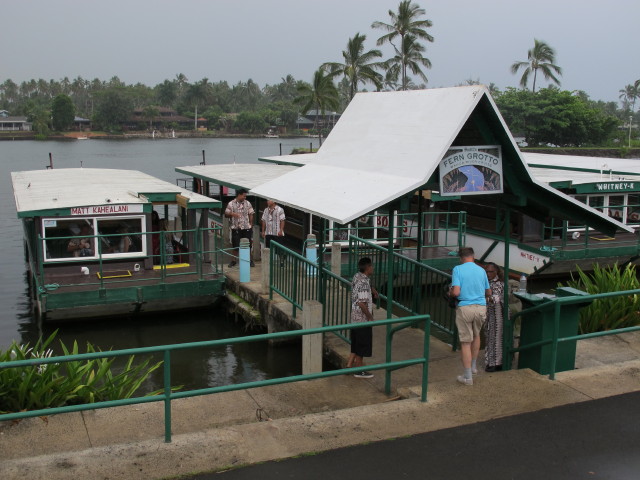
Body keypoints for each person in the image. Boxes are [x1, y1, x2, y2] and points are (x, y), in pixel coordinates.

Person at [450, 247, 490, 386]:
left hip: (465, 308)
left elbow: (456, 292)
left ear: (461, 258)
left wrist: (450, 292)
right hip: (481, 307)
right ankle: (473, 367)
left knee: (466, 342)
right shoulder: (481, 270)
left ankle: (467, 377)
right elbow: (488, 292)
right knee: (476, 335)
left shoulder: (458, 269)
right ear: (473, 256)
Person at [347, 257, 378, 379]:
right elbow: (362, 303)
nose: (373, 268)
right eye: (372, 266)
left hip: (354, 316)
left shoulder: (357, 276)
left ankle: (350, 365)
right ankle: (359, 371)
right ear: (368, 268)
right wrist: (370, 317)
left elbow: (361, 289)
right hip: (362, 319)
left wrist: (372, 290)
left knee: (356, 342)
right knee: (362, 344)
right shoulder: (364, 282)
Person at [225, 189, 255, 268]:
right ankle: (233, 260)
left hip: (246, 227)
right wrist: (232, 214)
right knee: (235, 245)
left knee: (248, 245)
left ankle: (250, 260)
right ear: (239, 195)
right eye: (244, 196)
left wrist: (251, 224)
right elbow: (226, 214)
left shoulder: (248, 203)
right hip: (236, 228)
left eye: (245, 196)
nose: (245, 197)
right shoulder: (231, 204)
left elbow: (251, 213)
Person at [484, 262, 505, 372]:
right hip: (490, 315)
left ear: (496, 272)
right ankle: (492, 362)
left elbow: (495, 298)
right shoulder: (487, 282)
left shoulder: (498, 284)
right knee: (490, 338)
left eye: (490, 272)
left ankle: (496, 364)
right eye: (486, 271)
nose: (488, 274)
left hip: (498, 315)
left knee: (496, 338)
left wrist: (482, 297)